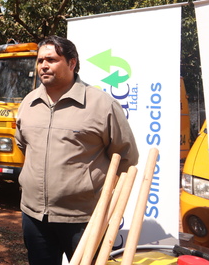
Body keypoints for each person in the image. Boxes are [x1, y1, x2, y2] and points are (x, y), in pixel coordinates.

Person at [15, 35, 139, 264]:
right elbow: (23, 145)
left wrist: (93, 192)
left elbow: (126, 157)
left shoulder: (102, 105)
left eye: (51, 59)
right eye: (40, 60)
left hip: (84, 219)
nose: (43, 65)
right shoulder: (28, 102)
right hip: (34, 216)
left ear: (72, 63)